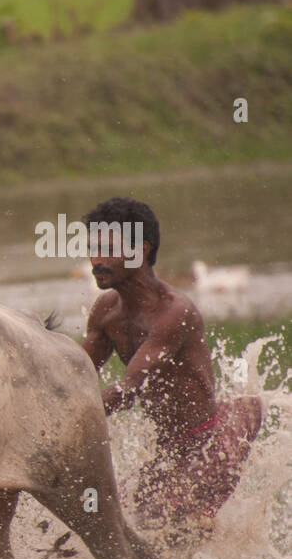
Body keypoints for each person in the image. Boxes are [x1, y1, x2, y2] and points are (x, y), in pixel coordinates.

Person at [79, 197, 262, 533]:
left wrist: (70, 414)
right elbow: (75, 375)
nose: (96, 261)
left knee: (154, 528)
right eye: (93, 249)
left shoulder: (174, 312)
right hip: (168, 451)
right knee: (116, 526)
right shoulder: (106, 311)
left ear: (142, 251)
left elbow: (129, 390)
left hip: (209, 442)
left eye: (107, 249)